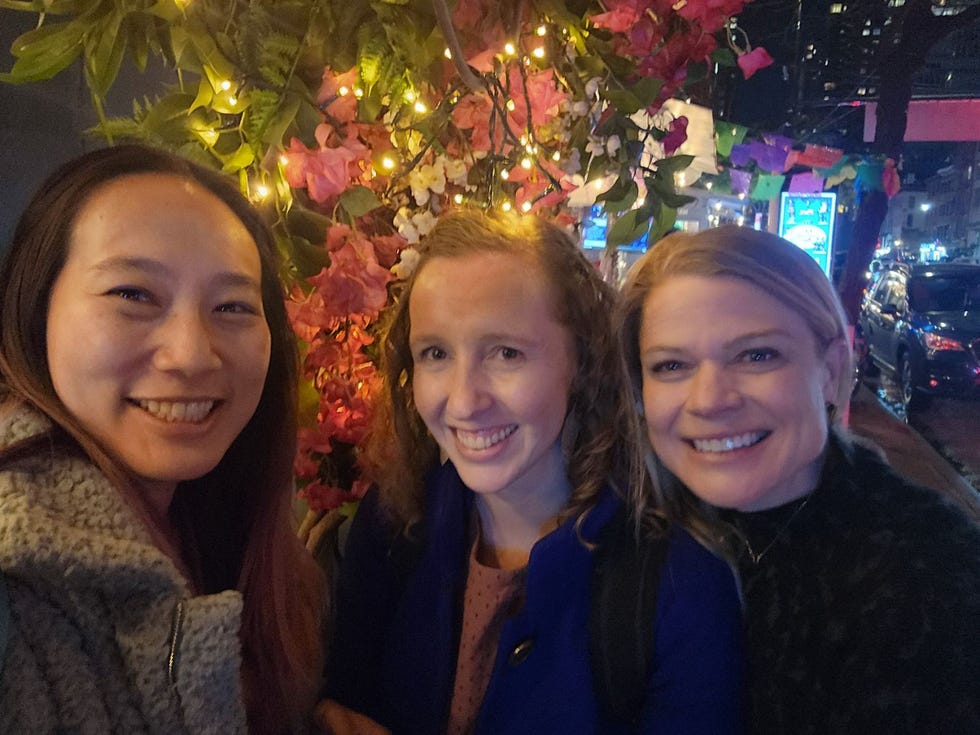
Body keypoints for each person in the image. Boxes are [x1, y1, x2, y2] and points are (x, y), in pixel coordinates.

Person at [320, 209, 744, 734]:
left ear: (584, 360)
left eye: (505, 352)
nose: (463, 401)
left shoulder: (677, 586)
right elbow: (342, 704)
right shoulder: (393, 525)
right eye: (435, 353)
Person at [0, 144, 324, 733]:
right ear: (35, 308)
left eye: (232, 306)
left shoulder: (224, 525)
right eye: (133, 295)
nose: (192, 354)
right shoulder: (16, 579)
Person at [618, 224, 980, 734]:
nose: (708, 400)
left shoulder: (932, 576)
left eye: (757, 355)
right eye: (671, 365)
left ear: (831, 370)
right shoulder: (619, 535)